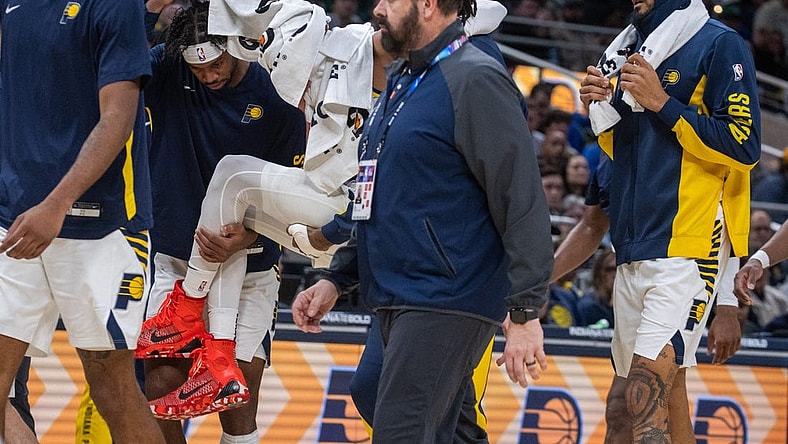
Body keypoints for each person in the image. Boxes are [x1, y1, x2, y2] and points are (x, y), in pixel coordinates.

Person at [138, 0, 509, 420]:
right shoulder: (343, 52)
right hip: (344, 224)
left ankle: (202, 324)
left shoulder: (431, 86)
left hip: (370, 230)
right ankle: (217, 352)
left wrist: (333, 233)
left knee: (233, 177)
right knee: (230, 206)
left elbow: (490, 12)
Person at [291, 0, 554, 441]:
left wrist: (525, 312)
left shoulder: (475, 77)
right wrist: (339, 277)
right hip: (397, 291)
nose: (377, 9)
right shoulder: (402, 81)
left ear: (429, 4)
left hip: (447, 295)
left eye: (391, 0)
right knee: (388, 398)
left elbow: (521, 197)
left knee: (401, 431)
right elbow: (378, 194)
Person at [579, 0, 760, 440]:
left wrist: (661, 102)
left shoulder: (719, 44)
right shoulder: (627, 53)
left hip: (687, 247)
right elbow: (637, 159)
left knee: (646, 400)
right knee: (628, 405)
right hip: (633, 247)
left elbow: (744, 146)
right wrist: (603, 107)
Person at [136, 2, 307, 439]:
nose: (209, 75)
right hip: (176, 262)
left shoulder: (276, 91)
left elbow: (295, 191)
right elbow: (120, 58)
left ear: (234, 44)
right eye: (200, 70)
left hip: (247, 264)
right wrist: (150, 8)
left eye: (217, 64)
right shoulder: (169, 68)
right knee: (160, 390)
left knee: (238, 397)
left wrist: (248, 233)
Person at [0, 0, 165, 442]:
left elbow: (118, 117)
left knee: (111, 387)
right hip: (14, 220)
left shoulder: (113, 6)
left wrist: (56, 205)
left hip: (102, 225)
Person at [553, 156, 745, 443]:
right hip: (634, 273)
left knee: (656, 393)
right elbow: (592, 226)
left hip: (686, 268)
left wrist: (727, 303)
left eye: (590, 105)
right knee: (623, 404)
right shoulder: (611, 148)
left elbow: (732, 208)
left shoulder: (683, 125)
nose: (587, 107)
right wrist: (534, 282)